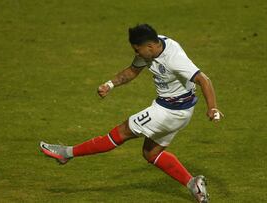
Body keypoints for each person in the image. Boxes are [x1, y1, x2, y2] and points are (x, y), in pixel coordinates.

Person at [39, 23, 224, 203]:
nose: (136, 54)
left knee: (120, 133)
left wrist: (212, 108)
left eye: (137, 50)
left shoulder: (174, 57)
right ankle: (193, 184)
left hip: (169, 111)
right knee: (151, 153)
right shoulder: (152, 48)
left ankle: (67, 153)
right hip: (179, 111)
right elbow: (132, 70)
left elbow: (204, 80)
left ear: (150, 46)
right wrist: (110, 84)